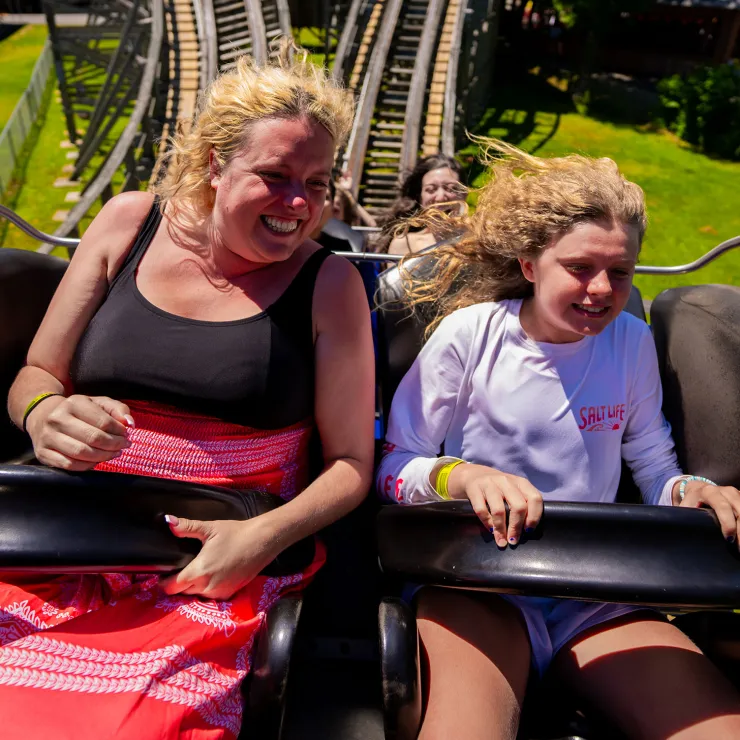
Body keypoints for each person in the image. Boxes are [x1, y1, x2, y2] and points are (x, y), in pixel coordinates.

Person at [4, 46, 374, 739]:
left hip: (211, 560)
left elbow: (353, 464)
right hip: (73, 539)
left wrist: (262, 538)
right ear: (214, 164)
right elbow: (37, 374)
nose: (298, 204)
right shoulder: (127, 224)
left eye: (317, 185)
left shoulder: (330, 286)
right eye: (275, 176)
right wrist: (45, 413)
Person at [376, 141, 740, 740]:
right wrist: (464, 476)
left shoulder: (628, 340)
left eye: (619, 272)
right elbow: (396, 465)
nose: (600, 289)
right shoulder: (471, 336)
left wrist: (692, 491)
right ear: (529, 264)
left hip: (593, 589)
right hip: (478, 581)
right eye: (578, 268)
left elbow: (652, 463)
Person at [374, 154, 467, 256]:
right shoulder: (405, 244)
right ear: (420, 198)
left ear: (464, 194)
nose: (440, 197)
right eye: (431, 189)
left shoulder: (480, 238)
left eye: (451, 188)